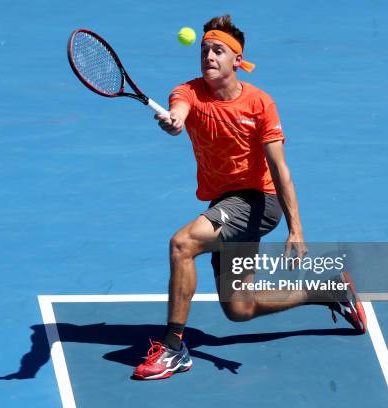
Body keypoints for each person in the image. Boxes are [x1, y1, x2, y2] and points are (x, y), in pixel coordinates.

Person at [132, 15, 366, 381]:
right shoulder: (188, 92)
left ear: (237, 61)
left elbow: (280, 169)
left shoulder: (260, 104)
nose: (209, 56)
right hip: (225, 204)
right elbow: (180, 110)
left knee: (182, 245)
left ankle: (173, 348)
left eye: (218, 50)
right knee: (240, 308)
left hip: (258, 202)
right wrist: (175, 120)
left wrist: (296, 230)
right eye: (205, 49)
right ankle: (328, 291)